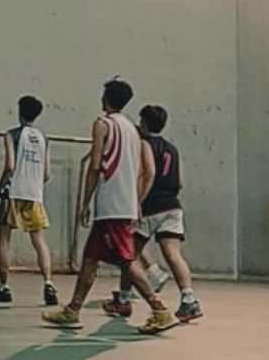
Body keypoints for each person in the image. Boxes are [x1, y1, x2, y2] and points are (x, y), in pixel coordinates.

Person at [42, 78, 179, 334]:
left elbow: (95, 167)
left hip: (111, 205)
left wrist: (84, 201)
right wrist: (135, 203)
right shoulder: (131, 130)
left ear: (105, 98)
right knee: (91, 258)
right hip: (124, 204)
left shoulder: (102, 125)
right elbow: (140, 171)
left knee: (127, 262)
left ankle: (159, 309)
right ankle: (72, 310)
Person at [102, 105, 202, 323]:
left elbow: (147, 175)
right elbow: (180, 182)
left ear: (144, 124)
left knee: (128, 256)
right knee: (174, 255)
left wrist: (136, 202)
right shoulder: (172, 149)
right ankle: (188, 300)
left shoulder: (143, 145)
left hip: (150, 207)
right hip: (173, 206)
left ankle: (124, 300)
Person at [0, 96, 58, 306]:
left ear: (20, 111)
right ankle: (48, 283)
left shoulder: (11, 135)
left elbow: (10, 166)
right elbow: (47, 174)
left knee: (4, 239)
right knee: (39, 241)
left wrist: (0, 187)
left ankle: (4, 287)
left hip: (13, 191)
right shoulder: (43, 138)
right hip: (34, 193)